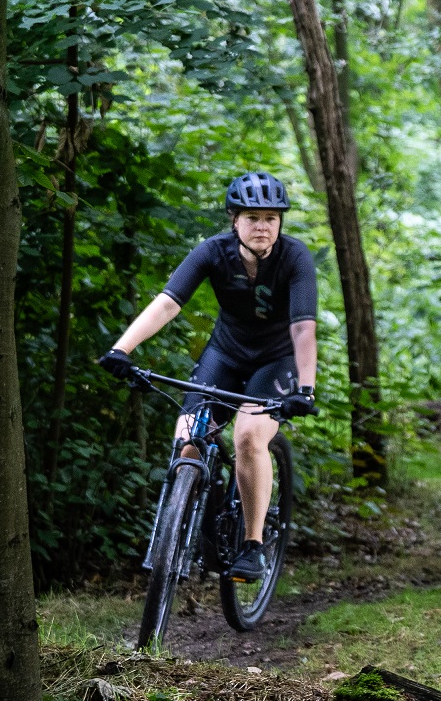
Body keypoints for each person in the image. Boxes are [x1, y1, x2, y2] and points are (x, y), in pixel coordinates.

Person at [101, 172, 319, 581]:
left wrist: (305, 388)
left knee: (249, 437)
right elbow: (168, 303)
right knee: (187, 441)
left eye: (271, 218)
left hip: (276, 361)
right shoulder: (212, 252)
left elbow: (302, 327)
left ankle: (253, 546)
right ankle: (199, 521)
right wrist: (121, 349)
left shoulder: (294, 257)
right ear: (234, 220)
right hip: (225, 355)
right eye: (252, 217)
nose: (262, 226)